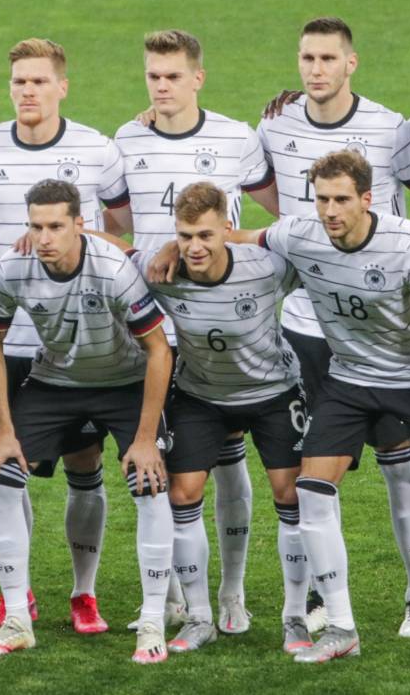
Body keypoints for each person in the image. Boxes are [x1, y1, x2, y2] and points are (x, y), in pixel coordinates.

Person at [156, 151, 410, 668]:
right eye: (322, 199)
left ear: (367, 199)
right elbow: (235, 237)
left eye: (342, 199)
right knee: (311, 494)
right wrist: (176, 242)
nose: (330, 210)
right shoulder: (300, 236)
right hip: (347, 381)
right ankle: (342, 627)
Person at [255, 17, 410, 636]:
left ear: (350, 63)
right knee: (304, 471)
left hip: (384, 331)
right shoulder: (275, 123)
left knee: (398, 463)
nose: (315, 69)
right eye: (306, 57)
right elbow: (262, 196)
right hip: (305, 326)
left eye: (327, 57)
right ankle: (308, 601)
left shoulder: (391, 128)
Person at [89, 181, 314, 655]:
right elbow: (111, 246)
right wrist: (75, 230)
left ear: (226, 230)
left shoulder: (267, 265)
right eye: (185, 235)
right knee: (183, 494)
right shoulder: (161, 269)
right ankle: (199, 617)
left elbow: (313, 248)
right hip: (200, 395)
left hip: (272, 392)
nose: (194, 247)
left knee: (290, 494)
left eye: (206, 236)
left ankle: (295, 617)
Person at [0, 38, 132, 634]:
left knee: (86, 468)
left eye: (38, 81)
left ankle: (83, 595)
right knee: (5, 463)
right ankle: (18, 594)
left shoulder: (97, 149)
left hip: (79, 344)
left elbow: (119, 231)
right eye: (18, 82)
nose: (27, 91)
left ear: (62, 86)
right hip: (8, 340)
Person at [114, 30, 279, 634]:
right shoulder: (125, 139)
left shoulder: (237, 137)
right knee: (163, 467)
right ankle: (178, 599)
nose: (161, 86)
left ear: (197, 78)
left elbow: (282, 212)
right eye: (153, 75)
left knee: (229, 459)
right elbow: (116, 224)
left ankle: (232, 593)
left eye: (173, 76)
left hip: (224, 325)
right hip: (154, 329)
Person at [0, 180, 173, 663]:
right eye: (36, 226)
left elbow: (158, 349)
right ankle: (18, 617)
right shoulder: (12, 269)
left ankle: (152, 622)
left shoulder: (112, 271)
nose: (44, 238)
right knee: (2, 474)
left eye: (56, 226)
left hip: (123, 382)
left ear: (80, 225)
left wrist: (146, 438)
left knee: (151, 483)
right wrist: (4, 430)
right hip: (55, 381)